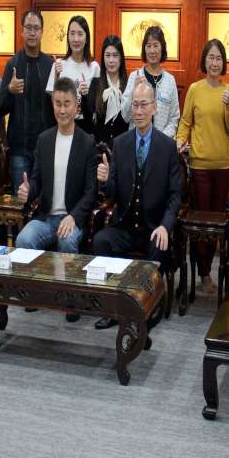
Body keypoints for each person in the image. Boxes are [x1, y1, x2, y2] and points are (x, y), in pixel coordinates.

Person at [93, 81, 182, 329]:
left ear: (154, 108)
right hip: (124, 225)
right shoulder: (121, 143)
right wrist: (105, 180)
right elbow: (112, 192)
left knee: (159, 247)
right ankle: (113, 308)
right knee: (101, 240)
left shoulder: (167, 147)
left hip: (153, 228)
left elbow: (175, 195)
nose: (139, 111)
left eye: (144, 105)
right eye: (135, 105)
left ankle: (147, 309)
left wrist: (165, 226)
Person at [176, 38, 229, 294]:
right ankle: (203, 273)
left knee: (216, 222)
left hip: (223, 166)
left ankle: (209, 272)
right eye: (211, 57)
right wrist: (179, 141)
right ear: (205, 60)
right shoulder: (195, 89)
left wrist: (228, 106)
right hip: (200, 166)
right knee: (200, 222)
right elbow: (186, 122)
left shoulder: (228, 91)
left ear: (223, 62)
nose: (215, 62)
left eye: (218, 58)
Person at [15, 77, 98, 256]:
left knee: (66, 240)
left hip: (73, 218)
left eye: (67, 104)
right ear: (52, 105)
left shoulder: (87, 143)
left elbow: (91, 192)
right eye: (58, 104)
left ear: (76, 106)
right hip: (46, 218)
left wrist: (74, 217)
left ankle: (66, 277)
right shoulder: (44, 140)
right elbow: (36, 182)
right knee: (23, 239)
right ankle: (35, 277)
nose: (62, 110)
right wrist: (27, 191)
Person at [0, 9, 55, 193]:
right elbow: (0, 107)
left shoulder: (49, 65)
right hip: (19, 149)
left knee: (44, 198)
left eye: (36, 28)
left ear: (42, 32)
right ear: (21, 31)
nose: (32, 32)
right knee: (21, 198)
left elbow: (56, 106)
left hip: (46, 147)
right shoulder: (12, 64)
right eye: (28, 28)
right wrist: (9, 90)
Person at [121, 26, 180, 138]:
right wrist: (133, 91)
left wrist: (160, 139)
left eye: (156, 45)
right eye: (148, 46)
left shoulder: (170, 80)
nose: (152, 50)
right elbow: (125, 116)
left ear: (162, 48)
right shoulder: (135, 76)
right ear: (144, 49)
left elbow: (174, 119)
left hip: (161, 142)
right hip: (136, 141)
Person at [45, 15, 100, 126]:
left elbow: (97, 106)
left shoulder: (94, 67)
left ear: (87, 39)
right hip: (63, 124)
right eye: (72, 33)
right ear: (68, 37)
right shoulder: (59, 64)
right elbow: (52, 102)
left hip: (86, 126)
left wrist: (86, 95)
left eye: (80, 34)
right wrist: (56, 77)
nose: (76, 39)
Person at [82, 35, 129, 148]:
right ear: (103, 58)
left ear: (121, 58)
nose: (111, 60)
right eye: (107, 55)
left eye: (115, 55)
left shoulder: (128, 85)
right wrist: (84, 97)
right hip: (100, 148)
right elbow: (88, 122)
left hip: (123, 148)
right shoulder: (96, 83)